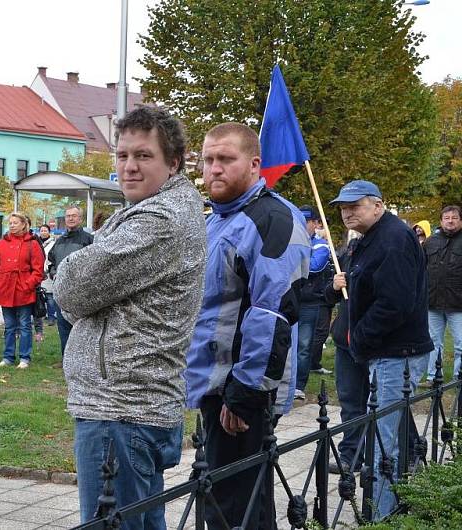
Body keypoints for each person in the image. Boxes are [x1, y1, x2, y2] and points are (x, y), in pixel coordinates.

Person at [55, 106, 206, 529]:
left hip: (121, 408)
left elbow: (70, 288)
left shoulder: (160, 219)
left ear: (172, 162)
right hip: (127, 406)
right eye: (122, 156)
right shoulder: (149, 207)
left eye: (143, 156)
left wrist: (72, 279)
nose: (129, 166)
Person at [185, 122, 311, 530]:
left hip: (240, 393)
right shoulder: (216, 220)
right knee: (223, 500)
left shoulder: (271, 217)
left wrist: (245, 394)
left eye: (225, 159)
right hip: (211, 384)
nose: (213, 169)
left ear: (254, 164)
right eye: (207, 160)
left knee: (239, 507)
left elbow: (272, 313)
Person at [329, 180, 432, 520]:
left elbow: (394, 304)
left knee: (383, 439)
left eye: (354, 205)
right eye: (343, 206)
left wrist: (358, 337)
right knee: (390, 428)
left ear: (378, 205)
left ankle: (381, 516)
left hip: (396, 352)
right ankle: (405, 491)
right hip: (386, 351)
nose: (346, 212)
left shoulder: (391, 239)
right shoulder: (371, 238)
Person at [325, 230, 368, 475]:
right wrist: (334, 285)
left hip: (374, 340)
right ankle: (350, 455)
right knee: (350, 401)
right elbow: (328, 296)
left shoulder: (388, 248)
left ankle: (388, 453)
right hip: (346, 338)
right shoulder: (350, 251)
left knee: (381, 402)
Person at [0, 212, 44, 369]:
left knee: (25, 324)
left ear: (23, 224)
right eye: (10, 222)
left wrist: (28, 285)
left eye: (15, 222)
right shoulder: (2, 243)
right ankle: (8, 357)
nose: (11, 225)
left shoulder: (32, 243)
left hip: (23, 290)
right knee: (9, 326)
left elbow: (38, 270)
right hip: (5, 289)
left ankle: (24, 358)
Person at [294, 205, 333, 399]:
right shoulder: (292, 240)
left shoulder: (321, 245)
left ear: (315, 224)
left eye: (306, 222)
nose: (301, 225)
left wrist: (295, 259)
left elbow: (315, 267)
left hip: (310, 302)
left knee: (303, 345)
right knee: (288, 344)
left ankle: (298, 384)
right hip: (291, 299)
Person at [422, 205, 462, 385]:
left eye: (454, 217)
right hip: (433, 301)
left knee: (461, 343)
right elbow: (420, 268)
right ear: (441, 221)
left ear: (460, 220)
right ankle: (433, 377)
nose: (450, 221)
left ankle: (458, 377)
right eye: (447, 218)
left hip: (458, 303)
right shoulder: (431, 242)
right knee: (432, 342)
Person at [47, 205, 93, 356]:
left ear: (80, 219)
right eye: (68, 216)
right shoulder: (59, 241)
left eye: (74, 216)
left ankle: (82, 360)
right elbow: (51, 262)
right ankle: (65, 359)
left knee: (81, 328)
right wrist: (54, 273)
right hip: (62, 292)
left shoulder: (88, 239)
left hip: (81, 291)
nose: (71, 218)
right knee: (63, 327)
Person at [38, 224, 57, 325]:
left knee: (49, 296)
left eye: (45, 230)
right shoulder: (36, 242)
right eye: (41, 230)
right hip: (38, 272)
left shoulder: (53, 243)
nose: (43, 232)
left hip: (48, 272)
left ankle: (51, 317)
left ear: (49, 232)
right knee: (38, 296)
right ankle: (40, 315)